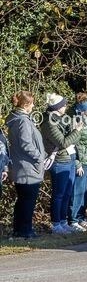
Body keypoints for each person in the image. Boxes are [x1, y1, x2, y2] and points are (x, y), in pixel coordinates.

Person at [41, 92, 85, 234]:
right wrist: (77, 131)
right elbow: (63, 142)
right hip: (60, 161)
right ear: (57, 107)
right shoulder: (48, 122)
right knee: (59, 194)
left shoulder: (61, 119)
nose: (66, 106)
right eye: (63, 105)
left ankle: (63, 221)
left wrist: (73, 133)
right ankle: (55, 223)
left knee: (67, 193)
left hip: (70, 159)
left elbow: (70, 140)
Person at [7, 92, 45, 239]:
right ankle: (25, 230)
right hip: (27, 168)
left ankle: (19, 229)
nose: (34, 105)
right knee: (28, 201)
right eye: (32, 103)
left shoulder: (17, 119)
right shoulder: (22, 121)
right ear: (26, 104)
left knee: (22, 200)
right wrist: (39, 157)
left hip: (22, 166)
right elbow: (26, 144)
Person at [69, 94, 87, 230]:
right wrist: (78, 162)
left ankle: (81, 217)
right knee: (77, 191)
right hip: (81, 160)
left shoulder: (86, 118)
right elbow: (74, 143)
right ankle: (74, 219)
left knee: (84, 191)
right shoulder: (76, 120)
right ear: (82, 108)